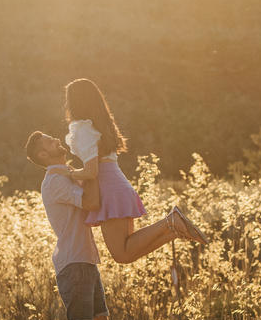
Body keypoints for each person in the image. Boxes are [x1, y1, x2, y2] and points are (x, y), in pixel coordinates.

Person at [59, 77, 208, 262]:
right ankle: (174, 230)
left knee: (121, 254)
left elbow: (91, 172)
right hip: (118, 184)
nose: (66, 104)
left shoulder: (83, 128)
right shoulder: (101, 125)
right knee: (127, 252)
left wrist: (68, 173)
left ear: (76, 101)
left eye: (68, 99)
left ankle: (170, 221)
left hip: (110, 190)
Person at [25, 130, 109, 320]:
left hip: (85, 258)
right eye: (50, 142)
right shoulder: (55, 182)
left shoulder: (68, 175)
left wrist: (85, 171)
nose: (57, 140)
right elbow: (92, 202)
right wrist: (91, 167)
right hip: (73, 262)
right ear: (43, 155)